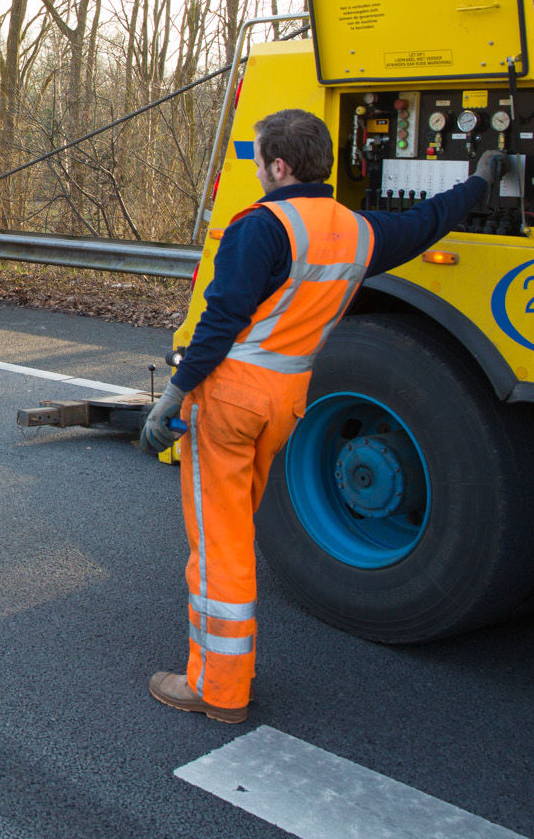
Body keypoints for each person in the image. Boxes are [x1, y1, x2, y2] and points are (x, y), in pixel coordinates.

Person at [140, 107, 509, 724]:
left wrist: (173, 396)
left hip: (230, 398)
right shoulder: (358, 232)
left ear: (280, 166)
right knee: (236, 529)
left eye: (259, 159)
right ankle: (225, 674)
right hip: (287, 400)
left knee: (219, 544)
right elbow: (428, 221)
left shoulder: (260, 227)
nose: (257, 169)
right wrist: (479, 182)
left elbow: (220, 321)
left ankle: (218, 688)